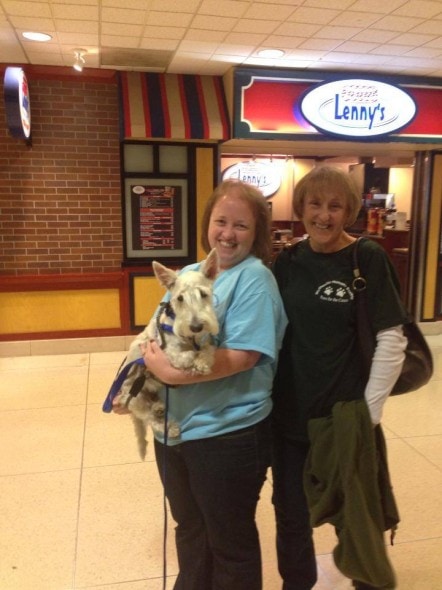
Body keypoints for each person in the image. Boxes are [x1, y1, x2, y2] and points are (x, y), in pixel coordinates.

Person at [113, 179, 288, 590]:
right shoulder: (191, 273)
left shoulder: (255, 280)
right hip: (174, 430)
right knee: (189, 528)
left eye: (241, 226)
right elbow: (157, 331)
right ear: (208, 224)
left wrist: (174, 374)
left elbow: (247, 355)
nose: (227, 234)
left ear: (257, 232)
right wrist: (131, 383)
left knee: (229, 542)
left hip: (225, 433)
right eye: (220, 221)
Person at [271, 166, 409, 590]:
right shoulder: (288, 261)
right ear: (301, 209)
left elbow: (392, 337)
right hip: (290, 417)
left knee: (355, 517)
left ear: (349, 211)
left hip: (344, 416)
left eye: (335, 206)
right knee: (291, 517)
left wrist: (367, 414)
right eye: (315, 204)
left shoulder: (365, 257)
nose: (324, 215)